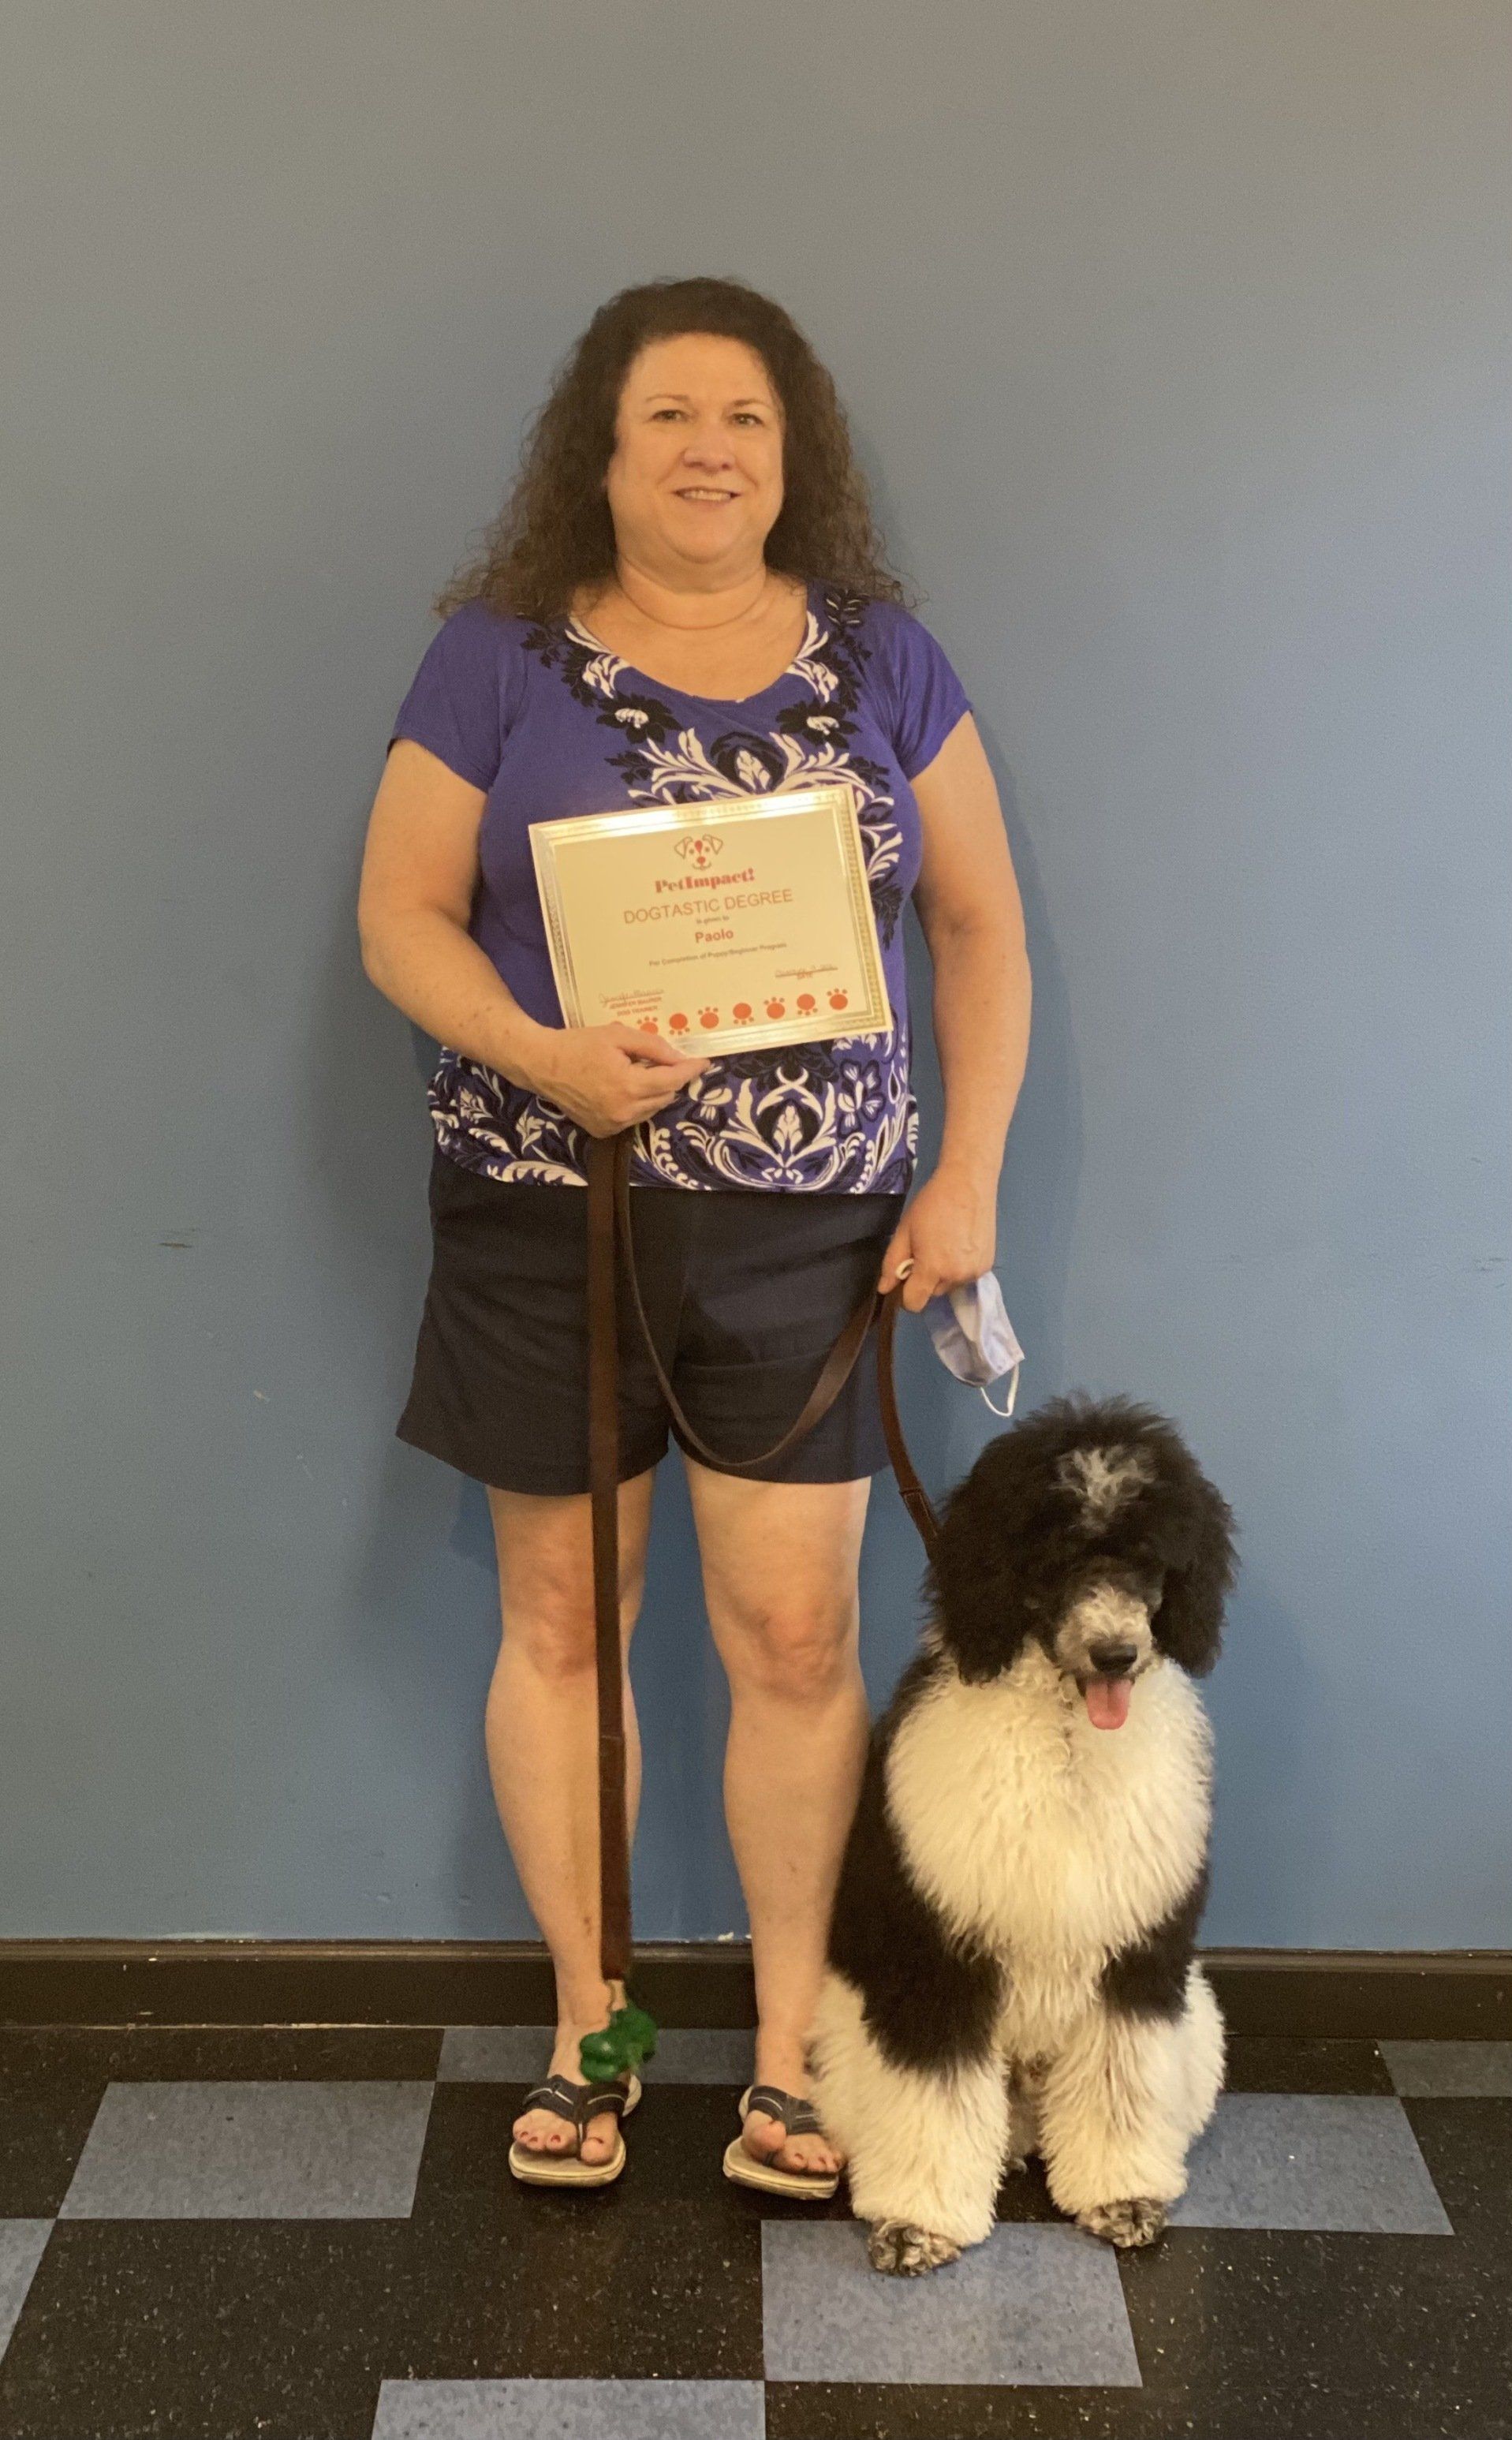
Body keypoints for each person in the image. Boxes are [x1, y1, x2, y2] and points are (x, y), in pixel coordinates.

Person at [357, 275, 1031, 2194]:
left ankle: (798, 2050)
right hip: (542, 1216)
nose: (708, 450)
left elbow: (977, 924)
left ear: (791, 454)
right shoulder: (493, 659)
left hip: (812, 1231)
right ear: (602, 448)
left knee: (797, 1633)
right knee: (563, 1621)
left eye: (744, 417)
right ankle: (598, 2028)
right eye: (667, 415)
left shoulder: (885, 658)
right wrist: (543, 1055)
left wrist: (965, 1177)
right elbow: (401, 914)